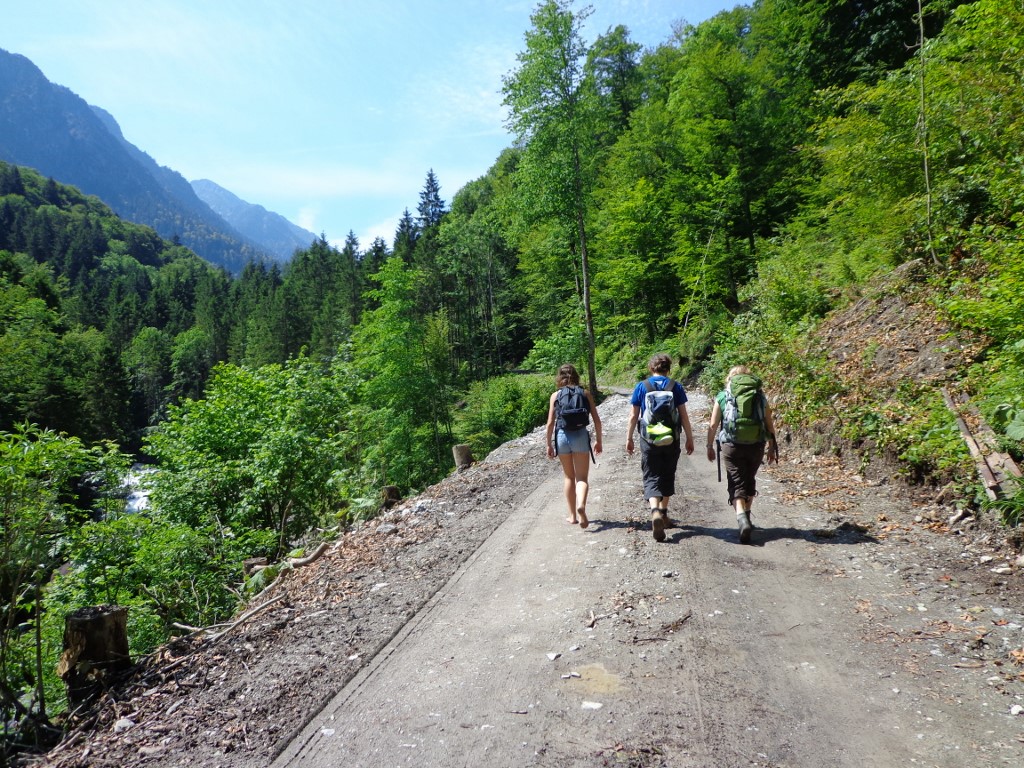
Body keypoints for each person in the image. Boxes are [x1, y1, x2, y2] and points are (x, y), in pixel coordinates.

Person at [705, 365, 779, 544]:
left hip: (731, 445)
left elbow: (713, 424)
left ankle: (741, 517)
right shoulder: (759, 396)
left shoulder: (724, 395)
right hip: (756, 444)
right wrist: (772, 446)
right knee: (749, 479)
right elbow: (769, 423)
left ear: (730, 379)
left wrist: (709, 445)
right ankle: (747, 515)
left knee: (736, 481)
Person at [625, 354, 695, 541]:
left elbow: (634, 416)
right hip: (671, 438)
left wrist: (629, 438)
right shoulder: (675, 386)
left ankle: (655, 510)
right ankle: (663, 514)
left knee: (651, 474)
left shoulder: (642, 386)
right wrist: (689, 438)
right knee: (667, 473)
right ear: (668, 369)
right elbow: (684, 415)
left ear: (651, 368)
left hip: (649, 439)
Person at [545, 364, 603, 529]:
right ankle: (581, 506)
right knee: (582, 478)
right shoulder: (585, 393)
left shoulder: (555, 395)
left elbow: (550, 423)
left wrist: (549, 444)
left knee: (569, 477)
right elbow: (597, 420)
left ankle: (572, 516)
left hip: (562, 436)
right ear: (576, 376)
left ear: (559, 377)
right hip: (580, 436)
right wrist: (598, 441)